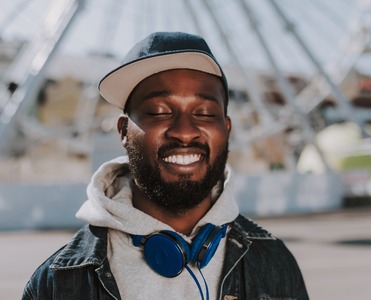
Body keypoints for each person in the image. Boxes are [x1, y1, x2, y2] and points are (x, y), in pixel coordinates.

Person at [22, 31, 309, 300]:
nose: (185, 131)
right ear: (123, 131)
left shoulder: (275, 262)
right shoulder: (56, 284)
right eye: (159, 111)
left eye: (205, 113)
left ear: (227, 128)